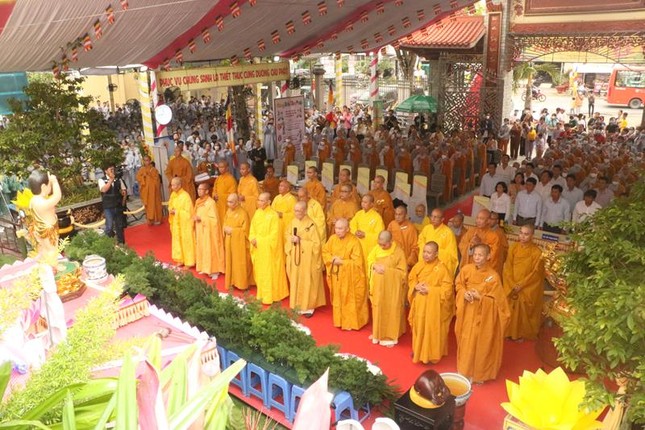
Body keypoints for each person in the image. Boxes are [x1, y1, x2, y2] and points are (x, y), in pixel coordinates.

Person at [455, 243, 510, 383]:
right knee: (466, 340)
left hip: (483, 317)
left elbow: (498, 302)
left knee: (479, 343)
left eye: (480, 255)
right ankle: (464, 370)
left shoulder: (493, 276)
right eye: (475, 254)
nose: (477, 257)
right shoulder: (466, 269)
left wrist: (481, 298)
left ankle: (478, 374)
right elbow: (459, 285)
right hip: (467, 312)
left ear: (488, 256)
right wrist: (464, 293)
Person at [408, 241, 454, 364]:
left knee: (431, 329)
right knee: (419, 327)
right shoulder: (419, 265)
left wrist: (431, 290)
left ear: (436, 254)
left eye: (429, 252)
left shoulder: (442, 269)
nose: (425, 255)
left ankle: (431, 355)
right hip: (420, 304)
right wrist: (415, 286)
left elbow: (447, 290)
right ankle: (418, 350)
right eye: (424, 252)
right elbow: (411, 279)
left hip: (434, 307)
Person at [322, 218, 369, 330]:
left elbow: (358, 263)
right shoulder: (332, 239)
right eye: (336, 228)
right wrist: (332, 259)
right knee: (338, 298)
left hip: (350, 278)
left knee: (350, 299)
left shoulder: (354, 242)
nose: (337, 231)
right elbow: (325, 251)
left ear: (347, 229)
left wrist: (342, 262)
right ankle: (339, 321)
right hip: (337, 276)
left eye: (340, 228)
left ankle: (351, 323)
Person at [503, 225, 545, 341]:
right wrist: (512, 284)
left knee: (522, 309)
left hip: (526, 288)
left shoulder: (537, 252)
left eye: (526, 234)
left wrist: (521, 285)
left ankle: (520, 334)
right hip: (512, 285)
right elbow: (507, 267)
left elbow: (536, 273)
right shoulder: (513, 247)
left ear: (532, 236)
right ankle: (508, 332)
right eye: (521, 233)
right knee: (510, 308)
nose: (522, 236)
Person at [367, 231, 407, 347]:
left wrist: (386, 271)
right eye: (379, 244)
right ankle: (377, 333)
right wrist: (374, 266)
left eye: (384, 244)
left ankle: (390, 336)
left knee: (391, 310)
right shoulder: (376, 249)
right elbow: (370, 261)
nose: (381, 246)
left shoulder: (398, 252)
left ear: (391, 241)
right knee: (378, 309)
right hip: (378, 288)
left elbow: (402, 273)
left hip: (392, 290)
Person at [285, 201, 326, 316]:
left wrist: (301, 241)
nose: (296, 213)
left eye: (299, 211)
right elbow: (287, 234)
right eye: (295, 210)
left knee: (307, 281)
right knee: (296, 279)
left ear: (305, 211)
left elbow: (316, 245)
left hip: (308, 260)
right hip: (296, 257)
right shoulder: (293, 222)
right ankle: (296, 304)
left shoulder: (311, 225)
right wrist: (291, 238)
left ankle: (308, 307)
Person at [249, 192, 289, 305]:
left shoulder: (273, 215)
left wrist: (259, 241)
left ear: (269, 202)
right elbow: (252, 229)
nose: (259, 202)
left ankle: (271, 295)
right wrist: (252, 238)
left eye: (262, 200)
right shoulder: (257, 213)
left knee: (269, 273)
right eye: (259, 200)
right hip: (258, 249)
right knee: (260, 272)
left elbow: (274, 236)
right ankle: (261, 294)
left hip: (269, 251)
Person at [26, 170, 62, 258]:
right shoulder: (42, 203)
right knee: (52, 249)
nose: (51, 187)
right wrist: (54, 181)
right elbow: (57, 196)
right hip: (48, 231)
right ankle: (52, 264)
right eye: (49, 185)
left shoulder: (33, 200)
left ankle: (45, 262)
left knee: (44, 248)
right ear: (43, 187)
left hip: (39, 229)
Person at [194, 182, 225, 279]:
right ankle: (204, 267)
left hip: (209, 231)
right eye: (198, 189)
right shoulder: (198, 201)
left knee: (211, 249)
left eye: (201, 189)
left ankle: (214, 271)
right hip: (201, 229)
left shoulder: (211, 203)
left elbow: (214, 220)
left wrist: (201, 219)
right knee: (202, 248)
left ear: (207, 191)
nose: (199, 191)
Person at [223, 193, 254, 290]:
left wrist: (233, 231)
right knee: (230, 261)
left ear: (237, 203)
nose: (228, 204)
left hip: (239, 243)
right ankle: (231, 281)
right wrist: (225, 228)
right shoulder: (228, 211)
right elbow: (225, 223)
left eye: (231, 202)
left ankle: (242, 284)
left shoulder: (243, 213)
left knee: (239, 263)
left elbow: (246, 231)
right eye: (228, 201)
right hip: (229, 241)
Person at [417, 208, 458, 276]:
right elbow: (420, 242)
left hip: (438, 268)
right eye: (432, 216)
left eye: (436, 217)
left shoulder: (448, 233)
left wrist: (434, 253)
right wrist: (426, 251)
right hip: (425, 263)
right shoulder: (427, 228)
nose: (433, 219)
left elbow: (451, 255)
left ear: (442, 219)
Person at [350, 194, 385, 269]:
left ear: (372, 204)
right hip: (357, 244)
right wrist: (355, 232)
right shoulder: (359, 214)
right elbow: (352, 225)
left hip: (369, 247)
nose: (363, 204)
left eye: (365, 202)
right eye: (362, 201)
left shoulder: (377, 217)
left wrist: (365, 235)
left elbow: (380, 235)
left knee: (367, 266)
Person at [168, 177, 195, 267]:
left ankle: (189, 262)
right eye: (171, 185)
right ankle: (180, 259)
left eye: (174, 185)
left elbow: (189, 213)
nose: (172, 187)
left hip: (184, 224)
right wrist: (170, 210)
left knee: (186, 241)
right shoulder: (173, 195)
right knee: (177, 241)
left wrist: (177, 212)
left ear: (179, 185)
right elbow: (170, 205)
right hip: (176, 222)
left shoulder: (185, 196)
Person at [99, 165, 127, 244]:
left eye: (113, 169)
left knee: (119, 226)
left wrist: (123, 197)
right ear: (106, 171)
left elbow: (123, 190)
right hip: (108, 206)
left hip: (118, 205)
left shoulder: (118, 179)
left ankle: (121, 243)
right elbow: (104, 190)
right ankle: (109, 242)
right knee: (109, 226)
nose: (112, 171)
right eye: (110, 170)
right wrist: (111, 180)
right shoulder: (101, 180)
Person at [136, 155, 163, 225]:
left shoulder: (154, 170)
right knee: (148, 206)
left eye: (147, 160)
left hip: (154, 192)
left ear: (150, 161)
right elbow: (138, 178)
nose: (146, 162)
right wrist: (143, 177)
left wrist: (150, 176)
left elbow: (157, 180)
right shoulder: (142, 170)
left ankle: (157, 219)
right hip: (146, 192)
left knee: (155, 205)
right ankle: (150, 220)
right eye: (144, 160)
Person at [213, 160, 238, 225]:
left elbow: (233, 195)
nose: (220, 169)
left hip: (226, 206)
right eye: (219, 167)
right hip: (218, 205)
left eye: (222, 167)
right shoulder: (218, 178)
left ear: (227, 168)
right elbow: (214, 189)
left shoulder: (231, 179)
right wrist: (214, 195)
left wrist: (220, 196)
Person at [488, 211, 509, 276]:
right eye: (489, 218)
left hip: (495, 262)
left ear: (497, 221)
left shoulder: (500, 233)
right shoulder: (485, 230)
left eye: (492, 219)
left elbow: (505, 249)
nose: (489, 221)